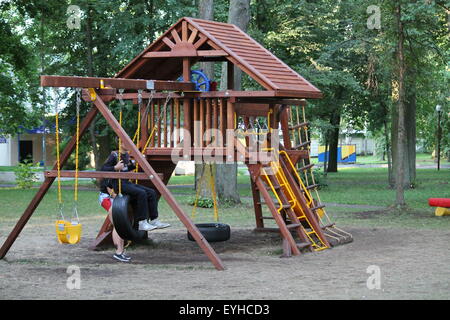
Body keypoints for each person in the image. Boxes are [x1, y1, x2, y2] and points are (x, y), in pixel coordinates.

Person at [101, 141, 171, 231]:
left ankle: (154, 220)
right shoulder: (114, 155)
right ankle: (142, 222)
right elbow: (103, 169)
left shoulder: (126, 155)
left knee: (151, 192)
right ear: (121, 144)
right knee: (141, 193)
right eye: (127, 143)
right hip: (118, 184)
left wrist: (135, 163)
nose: (129, 145)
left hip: (126, 183)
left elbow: (126, 168)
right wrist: (115, 168)